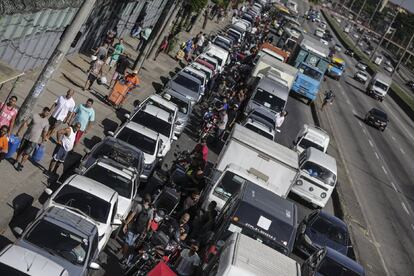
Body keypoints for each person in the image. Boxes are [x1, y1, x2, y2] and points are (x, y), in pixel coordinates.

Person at [14, 107, 50, 171]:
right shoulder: (34, 115)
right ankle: (16, 161)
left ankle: (20, 164)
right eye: (46, 112)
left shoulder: (46, 122)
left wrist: (44, 140)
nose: (47, 114)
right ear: (43, 111)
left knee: (27, 153)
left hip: (34, 140)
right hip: (26, 137)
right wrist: (19, 132)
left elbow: (44, 132)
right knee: (20, 150)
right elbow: (26, 123)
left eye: (48, 114)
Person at [121, 194, 153, 263]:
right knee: (132, 244)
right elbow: (149, 222)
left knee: (127, 242)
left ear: (143, 200)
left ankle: (124, 257)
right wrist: (146, 232)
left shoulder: (139, 206)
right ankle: (127, 258)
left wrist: (126, 224)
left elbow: (132, 215)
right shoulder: (151, 211)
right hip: (140, 230)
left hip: (133, 227)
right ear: (149, 202)